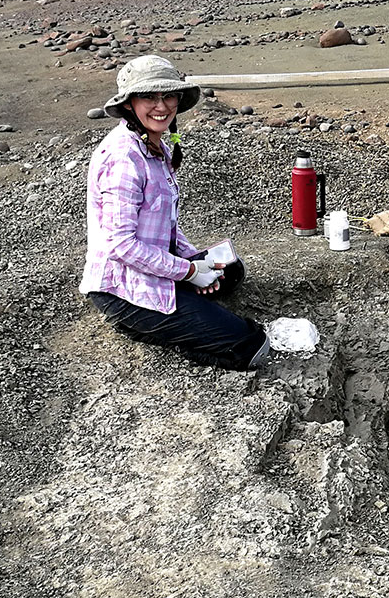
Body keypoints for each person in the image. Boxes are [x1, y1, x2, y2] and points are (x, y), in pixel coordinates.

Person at [80, 55, 270, 369]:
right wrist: (190, 272)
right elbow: (121, 246)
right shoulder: (124, 158)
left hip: (151, 266)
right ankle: (147, 325)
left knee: (229, 269)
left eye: (168, 95)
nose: (162, 106)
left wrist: (194, 258)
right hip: (123, 287)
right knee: (251, 347)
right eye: (149, 97)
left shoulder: (156, 147)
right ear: (129, 103)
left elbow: (163, 224)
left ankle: (184, 310)